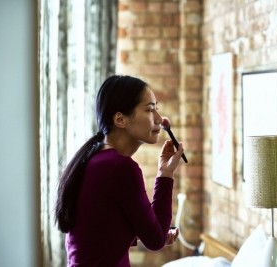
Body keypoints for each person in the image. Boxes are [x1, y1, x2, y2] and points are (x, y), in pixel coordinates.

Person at [55, 74, 184, 267]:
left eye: (157, 108)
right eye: (150, 110)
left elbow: (100, 230)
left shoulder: (93, 158)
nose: (160, 119)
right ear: (120, 119)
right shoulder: (122, 168)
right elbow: (156, 241)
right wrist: (165, 175)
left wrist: (148, 231)